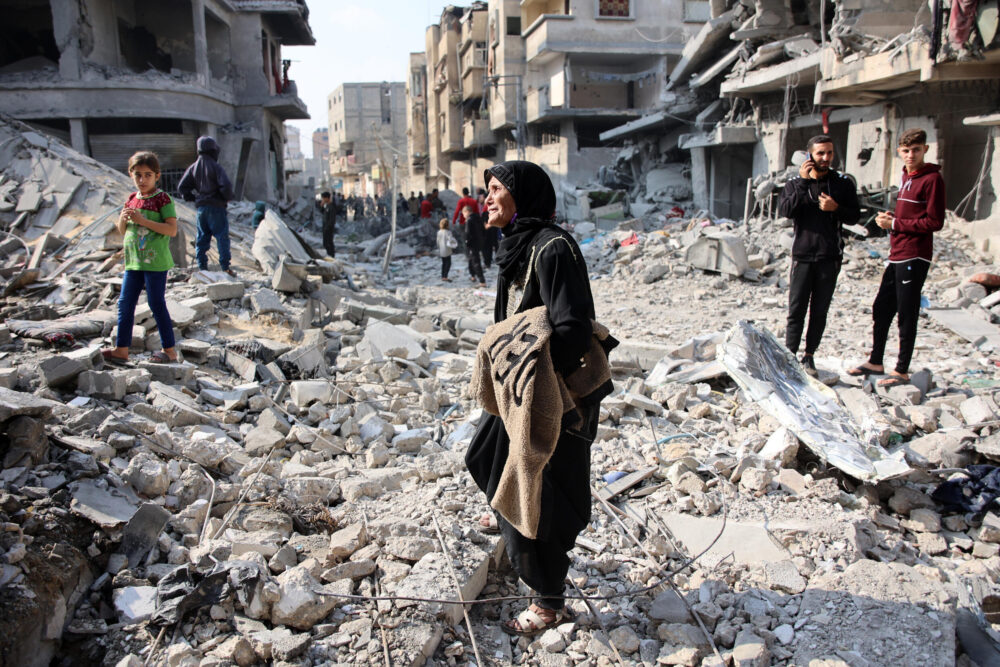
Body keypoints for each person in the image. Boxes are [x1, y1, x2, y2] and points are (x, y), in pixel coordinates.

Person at [465, 160, 616, 637]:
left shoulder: (553, 249)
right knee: (485, 455)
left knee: (541, 488)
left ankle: (548, 600)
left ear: (522, 196)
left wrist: (541, 384)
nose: (486, 198)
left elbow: (572, 327)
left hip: (552, 393)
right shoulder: (517, 248)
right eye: (486, 189)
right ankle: (511, 523)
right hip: (522, 389)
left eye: (495, 190)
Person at [849, 128, 945, 387]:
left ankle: (901, 370)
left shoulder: (932, 179)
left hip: (915, 255)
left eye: (915, 150)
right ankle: (875, 360)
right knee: (881, 308)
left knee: (906, 312)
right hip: (897, 253)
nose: (910, 155)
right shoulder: (906, 176)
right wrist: (892, 219)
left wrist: (898, 224)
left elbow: (935, 221)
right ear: (899, 152)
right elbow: (911, 215)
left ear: (925, 149)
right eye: (905, 151)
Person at [778, 134, 860, 375]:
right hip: (802, 256)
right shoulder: (795, 183)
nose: (825, 158)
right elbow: (786, 211)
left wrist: (837, 209)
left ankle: (809, 355)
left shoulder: (842, 183)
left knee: (819, 310)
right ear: (809, 155)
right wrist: (804, 183)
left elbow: (855, 215)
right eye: (820, 153)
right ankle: (789, 354)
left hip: (829, 256)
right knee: (796, 309)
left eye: (829, 153)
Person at [102, 151, 178, 365]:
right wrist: (123, 218)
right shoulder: (132, 199)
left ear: (157, 176)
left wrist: (143, 221)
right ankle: (121, 349)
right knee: (125, 304)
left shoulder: (163, 199)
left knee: (156, 303)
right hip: (133, 262)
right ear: (130, 175)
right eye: (138, 175)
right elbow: (122, 230)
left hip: (155, 263)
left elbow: (172, 230)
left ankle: (169, 351)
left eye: (147, 175)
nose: (142, 180)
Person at [178, 136, 236, 276]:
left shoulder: (193, 167)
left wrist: (193, 198)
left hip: (201, 209)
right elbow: (226, 186)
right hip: (217, 208)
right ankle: (225, 268)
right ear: (213, 150)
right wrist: (226, 198)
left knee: (202, 238)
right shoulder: (216, 167)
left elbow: (182, 187)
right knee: (221, 237)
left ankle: (202, 268)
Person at [464, 204, 486, 287]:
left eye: (463, 214)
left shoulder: (469, 220)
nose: (463, 216)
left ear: (467, 212)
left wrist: (467, 242)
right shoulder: (478, 218)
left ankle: (482, 281)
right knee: (471, 259)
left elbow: (467, 233)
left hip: (472, 244)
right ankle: (472, 276)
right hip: (479, 242)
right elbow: (483, 230)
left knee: (476, 261)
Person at [453, 187, 479, 251]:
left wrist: (454, 220)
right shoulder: (474, 201)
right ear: (468, 192)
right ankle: (473, 253)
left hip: (463, 222)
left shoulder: (461, 201)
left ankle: (468, 256)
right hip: (473, 222)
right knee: (473, 238)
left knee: (464, 239)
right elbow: (477, 212)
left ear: (463, 193)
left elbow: (457, 211)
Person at [317, 191, 337, 257]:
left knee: (329, 243)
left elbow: (332, 219)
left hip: (329, 228)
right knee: (325, 243)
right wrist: (321, 206)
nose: (323, 200)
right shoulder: (327, 206)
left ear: (327, 198)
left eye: (323, 198)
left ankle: (331, 255)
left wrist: (328, 227)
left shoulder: (331, 207)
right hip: (325, 227)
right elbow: (323, 213)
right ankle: (329, 254)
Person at [437, 218, 457, 282]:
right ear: (447, 225)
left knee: (443, 263)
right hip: (447, 250)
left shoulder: (439, 232)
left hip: (441, 250)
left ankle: (443, 276)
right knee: (448, 263)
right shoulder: (448, 232)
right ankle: (445, 276)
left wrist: (439, 247)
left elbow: (437, 241)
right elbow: (450, 240)